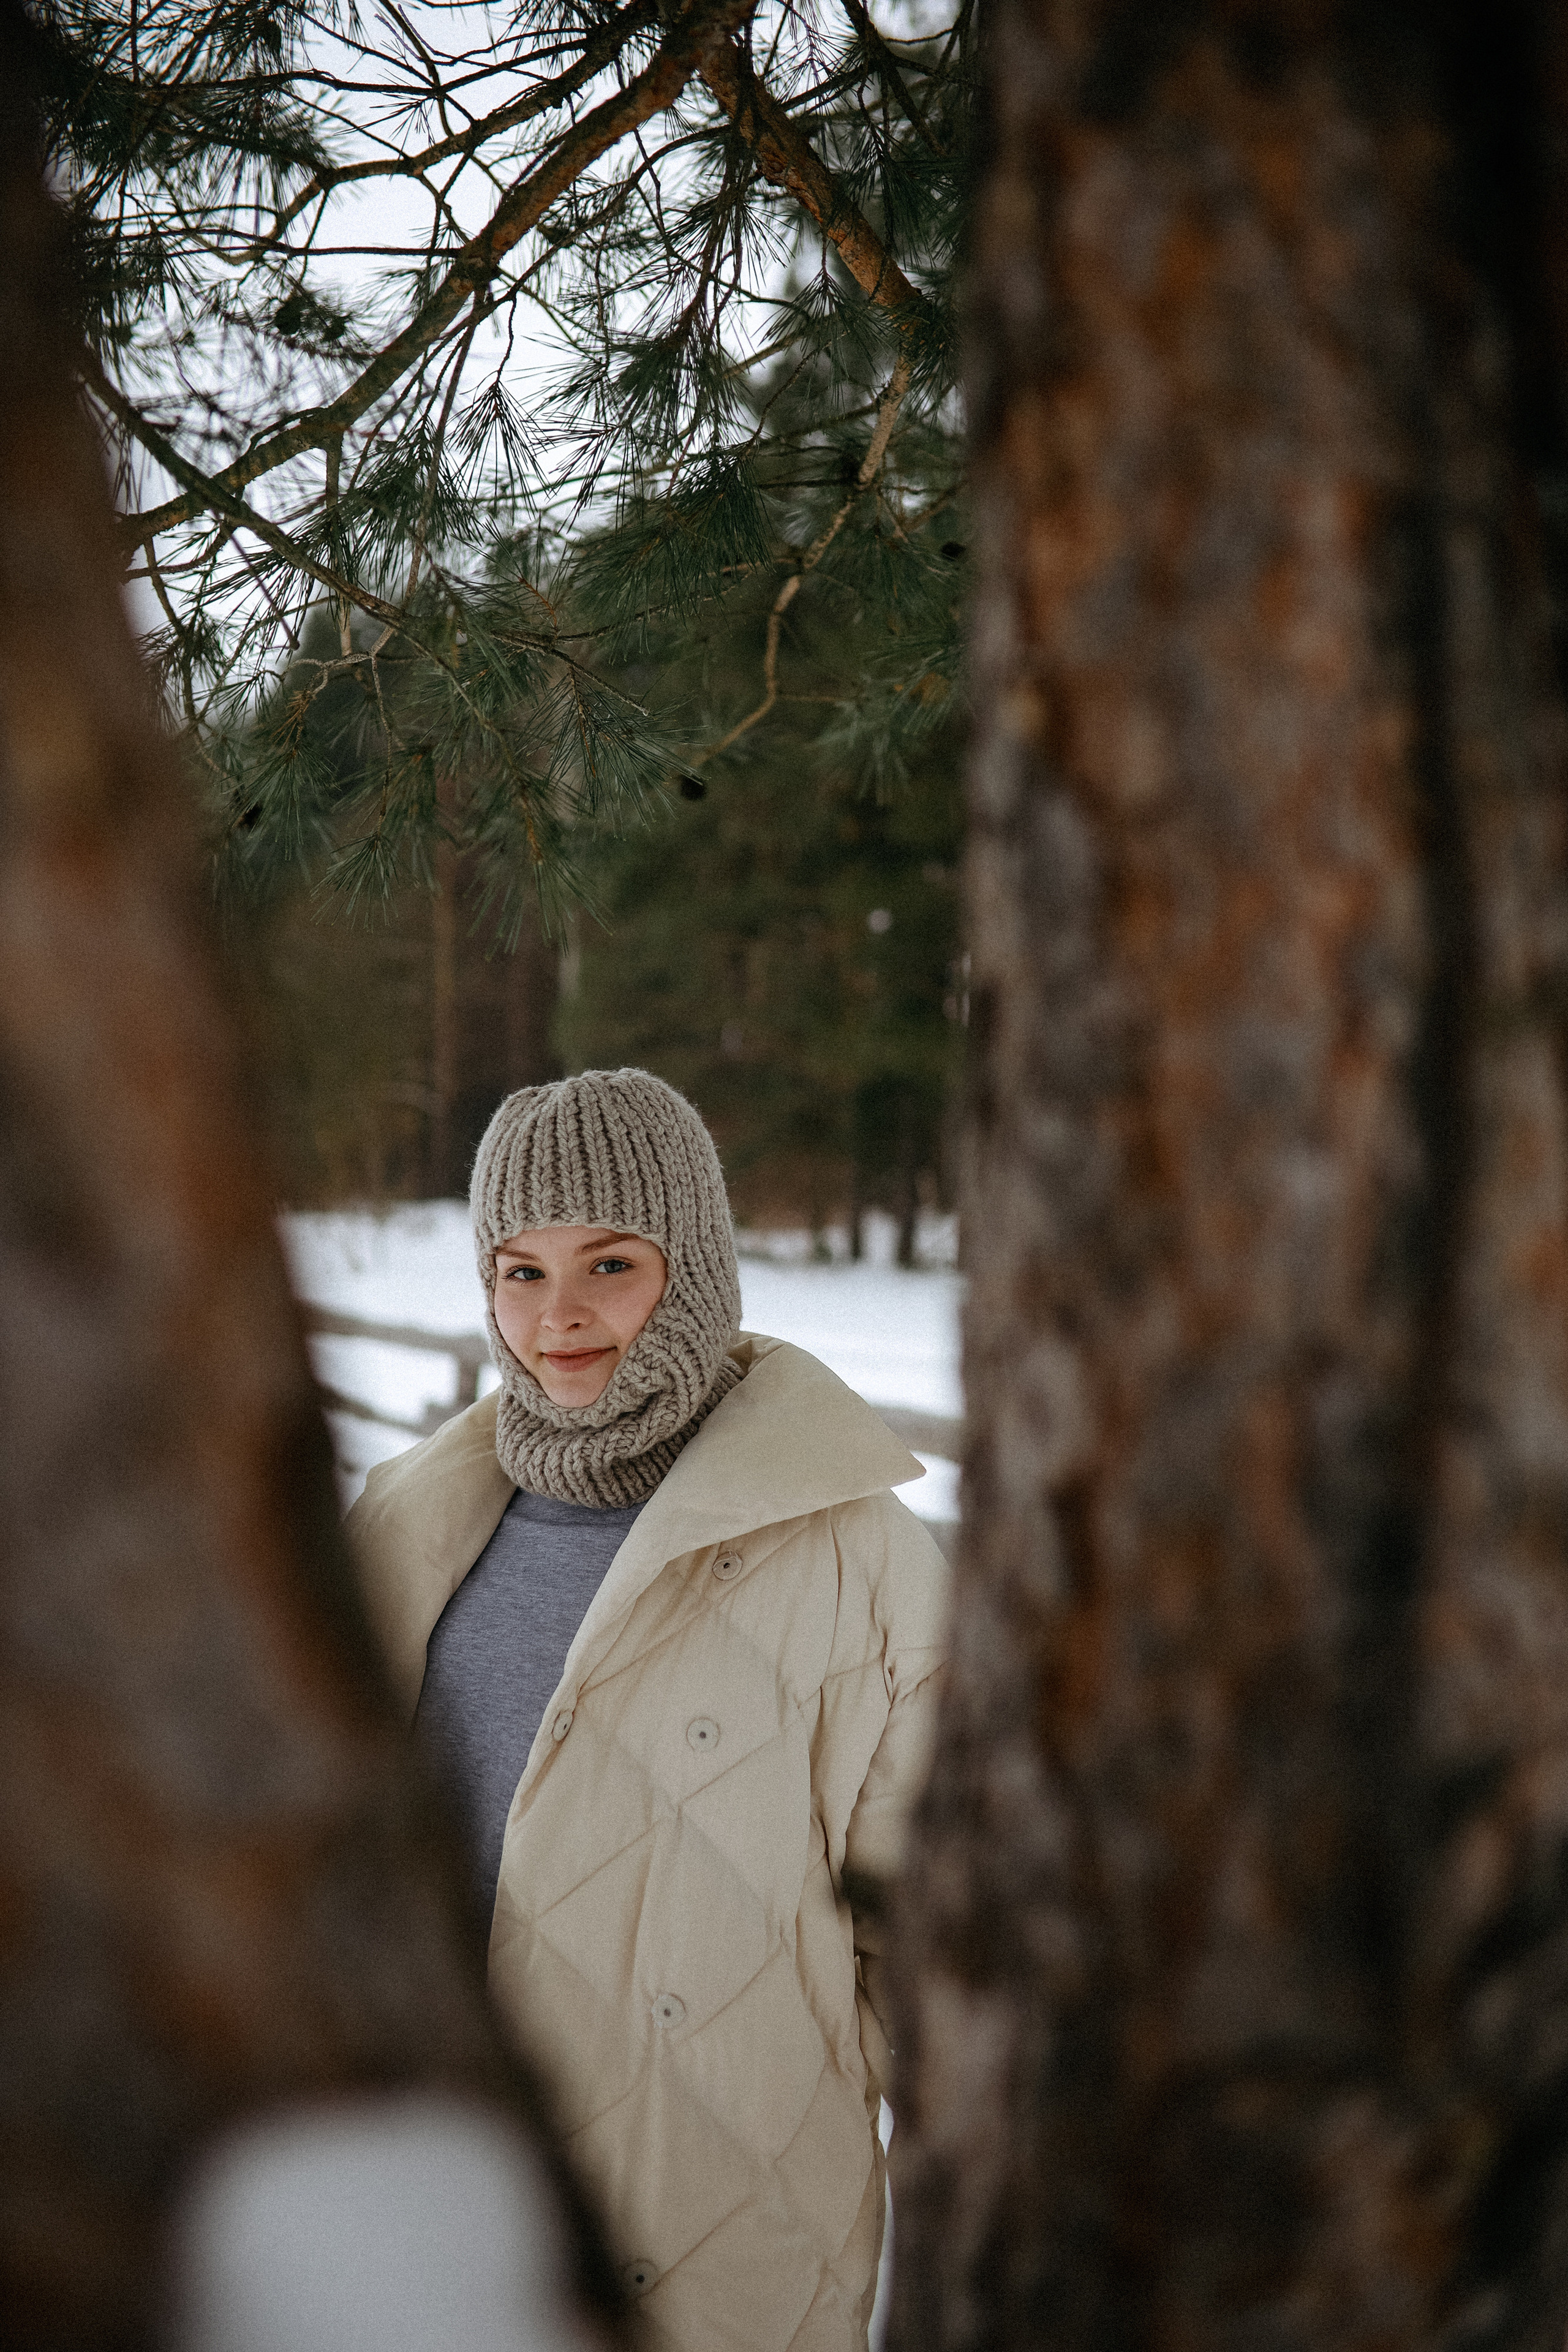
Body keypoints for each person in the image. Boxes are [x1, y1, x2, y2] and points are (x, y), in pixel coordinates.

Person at [347, 1068, 950, 2351]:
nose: (555, 1317)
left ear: (695, 1267)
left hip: (715, 2255)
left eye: (607, 1264)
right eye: (517, 1270)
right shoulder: (397, 1528)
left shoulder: (859, 1561)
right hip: (426, 2244)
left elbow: (944, 1965)